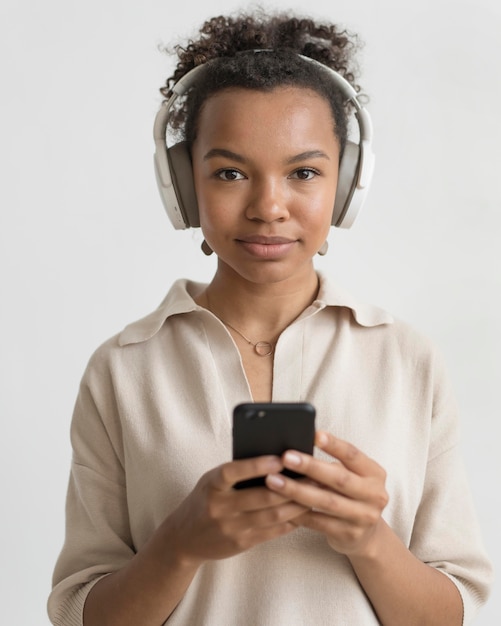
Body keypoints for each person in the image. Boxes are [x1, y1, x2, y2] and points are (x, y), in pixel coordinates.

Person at [48, 10, 493, 626]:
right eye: (230, 173)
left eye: (304, 172)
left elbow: (452, 615)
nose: (268, 207)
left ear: (346, 186)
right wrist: (179, 544)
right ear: (183, 185)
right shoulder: (123, 369)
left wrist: (370, 539)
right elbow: (81, 613)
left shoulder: (407, 359)